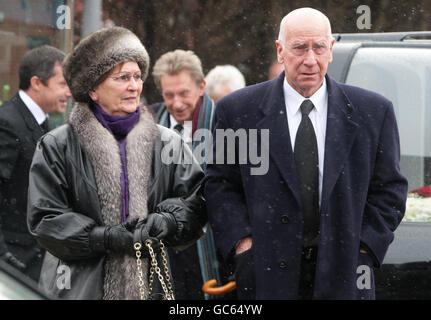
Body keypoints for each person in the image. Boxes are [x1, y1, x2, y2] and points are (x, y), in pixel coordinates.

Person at [204, 7, 408, 299]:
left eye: (318, 48)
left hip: (345, 278)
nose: (310, 60)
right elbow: (220, 186)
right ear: (280, 51)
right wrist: (243, 245)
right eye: (299, 48)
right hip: (264, 278)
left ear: (331, 50)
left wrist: (363, 247)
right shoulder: (237, 112)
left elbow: (390, 190)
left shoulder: (374, 112)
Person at [27, 27, 207, 300]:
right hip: (76, 289)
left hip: (150, 287)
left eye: (137, 76)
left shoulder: (168, 142)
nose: (134, 86)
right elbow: (45, 219)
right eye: (122, 78)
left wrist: (169, 221)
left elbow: (197, 201)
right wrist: (104, 238)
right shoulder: (57, 145)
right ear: (93, 89)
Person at [151, 49, 232, 299]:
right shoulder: (148, 125)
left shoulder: (226, 123)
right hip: (166, 251)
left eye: (184, 93)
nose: (176, 103)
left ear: (201, 87)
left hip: (216, 251)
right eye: (169, 95)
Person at [0, 45, 71, 282]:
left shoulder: (49, 126)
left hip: (38, 258)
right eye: (62, 84)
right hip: (13, 259)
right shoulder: (7, 123)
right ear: (37, 83)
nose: (69, 92)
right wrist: (5, 256)